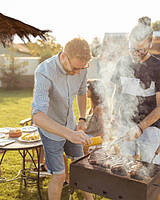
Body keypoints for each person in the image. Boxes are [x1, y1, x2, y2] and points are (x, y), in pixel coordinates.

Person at [32, 38, 93, 200]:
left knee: (81, 167)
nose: (79, 72)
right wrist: (69, 134)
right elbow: (37, 116)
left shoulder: (82, 67)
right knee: (59, 176)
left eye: (83, 68)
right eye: (75, 68)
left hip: (71, 125)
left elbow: (81, 92)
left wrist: (82, 118)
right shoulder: (44, 71)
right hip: (51, 131)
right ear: (64, 57)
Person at [111, 16, 160, 163]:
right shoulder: (122, 62)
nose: (136, 53)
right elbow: (117, 93)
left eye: (141, 50)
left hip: (151, 128)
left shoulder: (158, 67)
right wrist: (114, 114)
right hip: (125, 125)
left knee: (150, 170)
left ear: (150, 44)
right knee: (126, 166)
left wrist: (140, 128)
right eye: (133, 49)